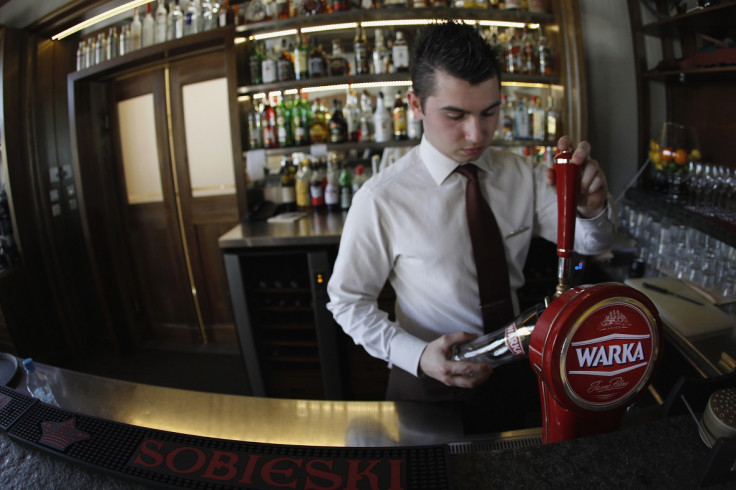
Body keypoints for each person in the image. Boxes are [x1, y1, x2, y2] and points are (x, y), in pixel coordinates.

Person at [326, 21, 614, 429]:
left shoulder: (520, 174)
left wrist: (590, 207)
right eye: (455, 115)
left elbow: (591, 242)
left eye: (489, 112)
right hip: (428, 383)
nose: (476, 134)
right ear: (415, 105)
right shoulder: (382, 198)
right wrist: (417, 356)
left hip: (517, 371)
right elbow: (347, 302)